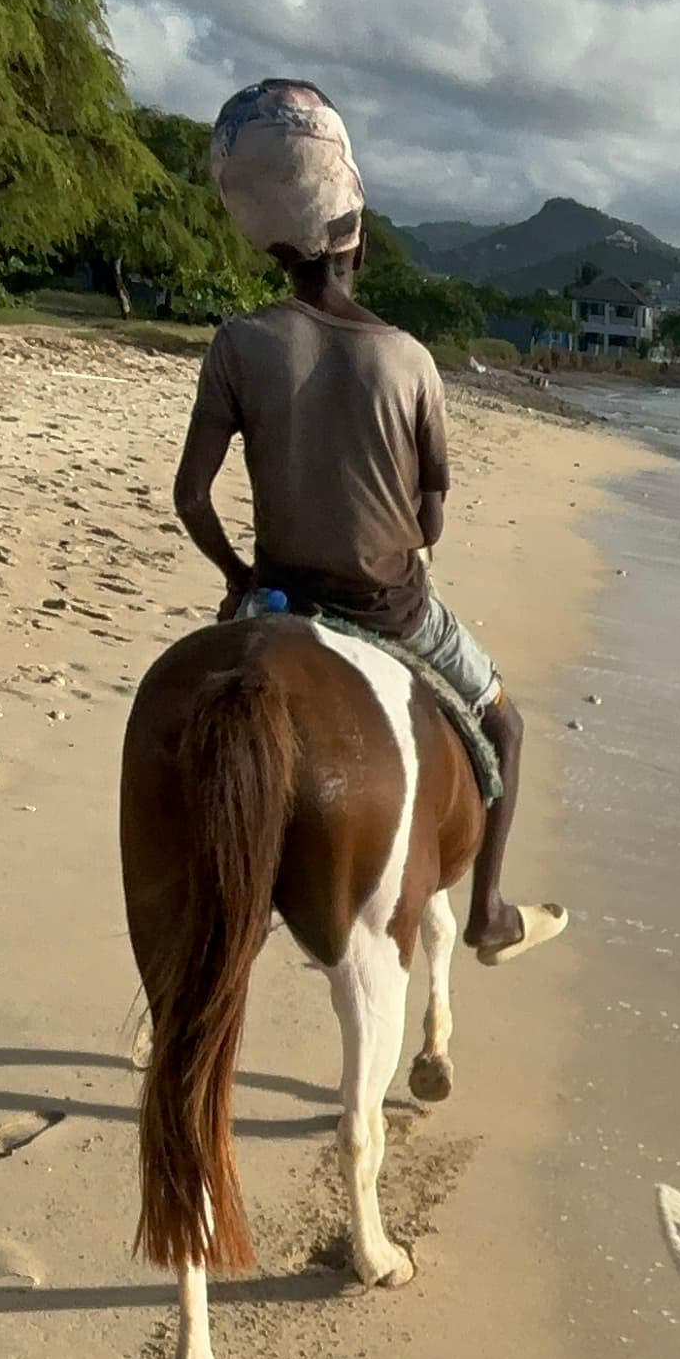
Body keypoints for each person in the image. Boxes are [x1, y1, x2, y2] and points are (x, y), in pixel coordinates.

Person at [172, 78, 562, 964]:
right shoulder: (412, 361)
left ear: (275, 246)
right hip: (392, 611)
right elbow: (427, 530)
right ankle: (491, 914)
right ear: (360, 246)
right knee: (505, 725)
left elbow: (191, 499)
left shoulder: (240, 342)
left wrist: (238, 578)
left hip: (274, 597)